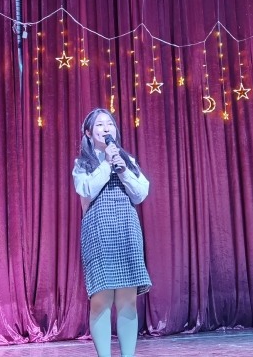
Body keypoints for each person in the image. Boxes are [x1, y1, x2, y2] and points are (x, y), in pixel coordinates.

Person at [72, 108, 152, 357]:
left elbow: (140, 194)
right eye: (99, 124)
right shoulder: (83, 164)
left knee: (128, 300)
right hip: (98, 232)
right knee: (101, 300)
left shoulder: (127, 160)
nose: (106, 128)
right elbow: (86, 190)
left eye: (110, 124)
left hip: (127, 230)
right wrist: (106, 164)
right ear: (88, 132)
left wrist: (123, 169)